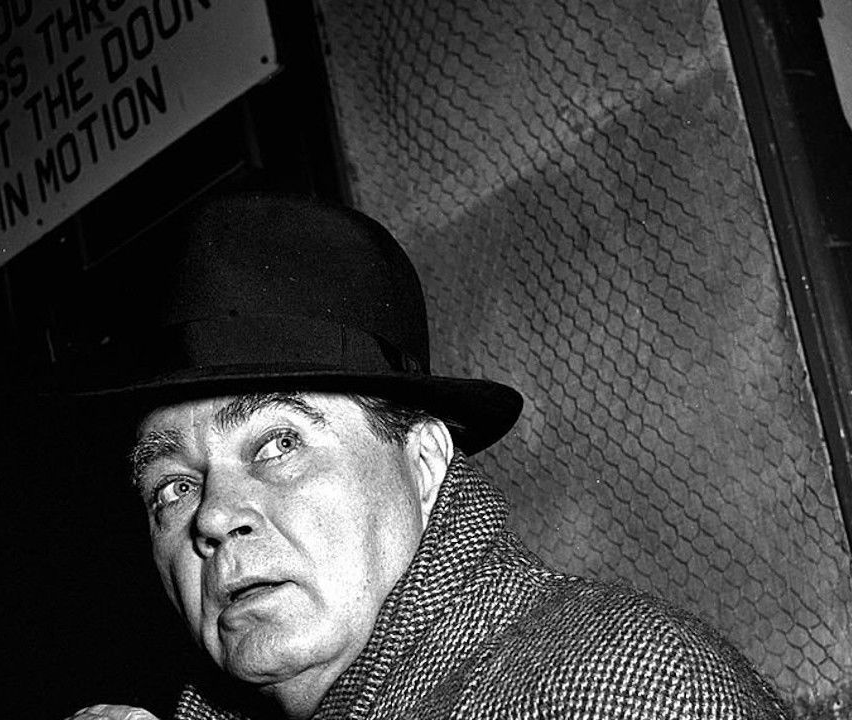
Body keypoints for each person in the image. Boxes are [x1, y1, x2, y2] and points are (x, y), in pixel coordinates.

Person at [68, 193, 789, 719]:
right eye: (173, 487)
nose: (214, 517)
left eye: (279, 444)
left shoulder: (615, 687)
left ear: (424, 464)